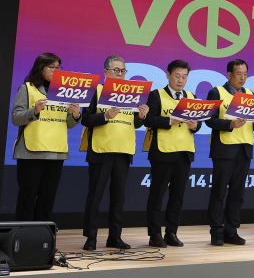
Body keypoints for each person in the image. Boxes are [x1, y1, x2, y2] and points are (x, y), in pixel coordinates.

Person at [80, 55, 149, 251]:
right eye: (116, 70)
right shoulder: (97, 91)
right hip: (101, 151)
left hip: (124, 151)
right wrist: (105, 116)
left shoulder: (134, 94)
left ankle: (115, 237)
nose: (120, 74)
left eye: (123, 71)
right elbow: (86, 119)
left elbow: (134, 123)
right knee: (95, 198)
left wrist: (142, 116)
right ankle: (91, 237)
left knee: (118, 198)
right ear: (105, 73)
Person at [11, 53, 81, 221]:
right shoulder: (27, 88)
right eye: (51, 67)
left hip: (57, 151)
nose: (55, 70)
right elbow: (16, 117)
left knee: (47, 200)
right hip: (31, 150)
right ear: (40, 68)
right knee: (27, 198)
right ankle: (23, 238)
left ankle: (42, 240)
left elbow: (68, 124)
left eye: (58, 67)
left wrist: (76, 115)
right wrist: (34, 111)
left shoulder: (65, 92)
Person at [205, 59, 254, 246]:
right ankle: (216, 232)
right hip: (224, 148)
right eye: (239, 74)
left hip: (244, 149)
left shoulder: (251, 95)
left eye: (245, 74)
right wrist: (229, 124)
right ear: (229, 75)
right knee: (219, 193)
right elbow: (209, 120)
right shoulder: (217, 92)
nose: (243, 77)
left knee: (237, 194)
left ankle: (232, 230)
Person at [143, 60, 201, 248]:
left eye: (184, 76)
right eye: (177, 75)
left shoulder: (191, 96)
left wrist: (195, 125)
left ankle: (171, 232)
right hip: (163, 152)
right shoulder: (156, 95)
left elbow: (198, 123)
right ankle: (154, 235)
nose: (181, 80)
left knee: (177, 196)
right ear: (168, 75)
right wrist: (170, 120)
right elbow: (148, 120)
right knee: (157, 195)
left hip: (184, 153)